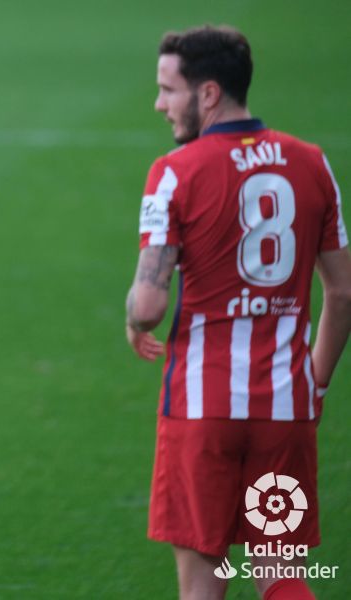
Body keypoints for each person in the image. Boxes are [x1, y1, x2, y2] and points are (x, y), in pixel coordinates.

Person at [125, 26, 351, 600]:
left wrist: (133, 320)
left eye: (168, 89)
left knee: (203, 586)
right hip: (285, 408)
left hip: (202, 411)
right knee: (279, 574)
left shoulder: (175, 171)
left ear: (207, 94)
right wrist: (316, 383)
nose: (159, 104)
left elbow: (149, 306)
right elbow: (344, 293)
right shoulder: (313, 163)